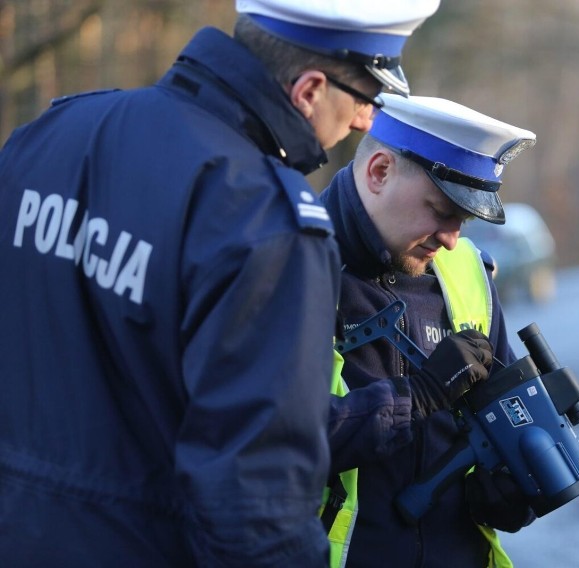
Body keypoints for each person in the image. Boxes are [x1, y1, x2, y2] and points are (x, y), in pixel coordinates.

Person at [0, 1, 439, 566]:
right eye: (362, 102)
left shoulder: (51, 134)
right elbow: (259, 501)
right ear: (308, 91)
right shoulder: (265, 219)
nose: (362, 124)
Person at [320, 94, 538, 567]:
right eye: (441, 210)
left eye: (463, 220)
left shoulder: (466, 271)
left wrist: (506, 488)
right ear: (379, 172)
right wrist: (415, 397)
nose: (452, 238)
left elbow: (498, 423)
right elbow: (274, 444)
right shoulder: (296, 266)